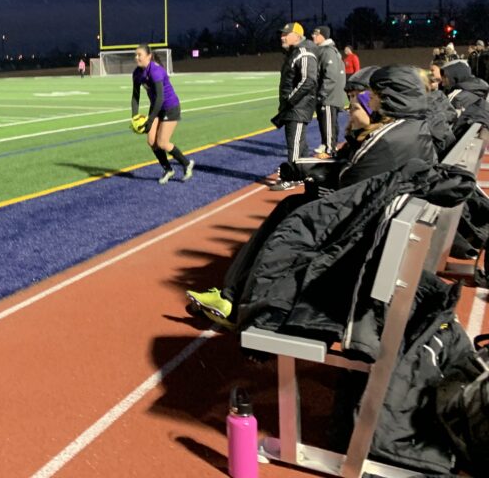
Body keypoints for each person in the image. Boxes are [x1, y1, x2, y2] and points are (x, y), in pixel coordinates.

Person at [187, 64, 437, 328]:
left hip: (358, 240)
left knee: (291, 213)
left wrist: (314, 175)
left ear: (391, 97)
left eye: (367, 97)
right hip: (379, 228)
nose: (364, 102)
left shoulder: (387, 139)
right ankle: (232, 294)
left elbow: (349, 189)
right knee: (291, 206)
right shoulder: (410, 131)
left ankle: (237, 299)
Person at [131, 44, 193, 184]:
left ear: (149, 56)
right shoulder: (136, 73)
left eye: (139, 54)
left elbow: (160, 97)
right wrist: (134, 117)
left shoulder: (155, 71)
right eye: (135, 55)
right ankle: (168, 169)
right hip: (156, 108)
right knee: (151, 141)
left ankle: (186, 163)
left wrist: (150, 120)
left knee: (162, 142)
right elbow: (135, 96)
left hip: (170, 107)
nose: (136, 57)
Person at [269, 22, 317, 190]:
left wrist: (290, 100)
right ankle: (304, 174)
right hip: (294, 107)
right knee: (300, 144)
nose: (282, 36)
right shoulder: (294, 53)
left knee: (294, 144)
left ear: (296, 35)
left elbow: (308, 80)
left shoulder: (303, 53)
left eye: (286, 34)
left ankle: (293, 177)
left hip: (298, 108)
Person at [311, 26, 347, 155]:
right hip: (330, 96)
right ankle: (327, 144)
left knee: (328, 122)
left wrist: (322, 94)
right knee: (328, 122)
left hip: (329, 97)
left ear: (323, 36)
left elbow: (330, 75)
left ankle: (329, 149)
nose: (313, 36)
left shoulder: (327, 51)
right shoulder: (327, 50)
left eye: (315, 34)